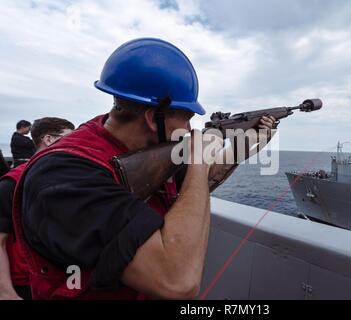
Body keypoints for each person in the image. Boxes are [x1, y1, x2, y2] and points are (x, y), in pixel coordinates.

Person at [13, 38, 276, 300]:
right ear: (153, 118)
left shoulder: (151, 151)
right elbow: (177, 282)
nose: (189, 130)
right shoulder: (62, 176)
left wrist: (240, 150)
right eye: (186, 119)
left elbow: (194, 189)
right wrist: (199, 159)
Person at [0, 117, 75, 300]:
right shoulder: (12, 183)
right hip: (26, 282)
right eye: (70, 138)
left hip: (67, 276)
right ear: (48, 139)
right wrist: (6, 293)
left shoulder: (72, 178)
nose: (76, 144)